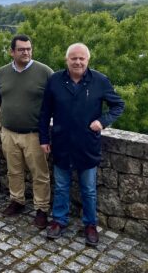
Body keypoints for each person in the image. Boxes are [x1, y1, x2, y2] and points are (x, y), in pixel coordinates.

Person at [39, 43, 124, 246]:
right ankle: (59, 220)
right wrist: (43, 139)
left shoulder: (100, 81)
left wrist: (102, 122)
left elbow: (118, 105)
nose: (77, 62)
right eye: (73, 58)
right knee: (60, 186)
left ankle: (90, 224)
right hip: (61, 143)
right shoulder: (55, 80)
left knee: (88, 189)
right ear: (66, 59)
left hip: (87, 144)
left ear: (88, 60)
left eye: (81, 58)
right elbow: (44, 113)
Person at [0, 35, 53, 228]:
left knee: (40, 174)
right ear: (12, 52)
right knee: (14, 171)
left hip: (34, 134)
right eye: (21, 49)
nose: (26, 52)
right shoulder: (2, 73)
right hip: (9, 133)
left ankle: (41, 209)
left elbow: (54, 101)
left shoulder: (45, 72)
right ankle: (17, 201)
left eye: (28, 48)